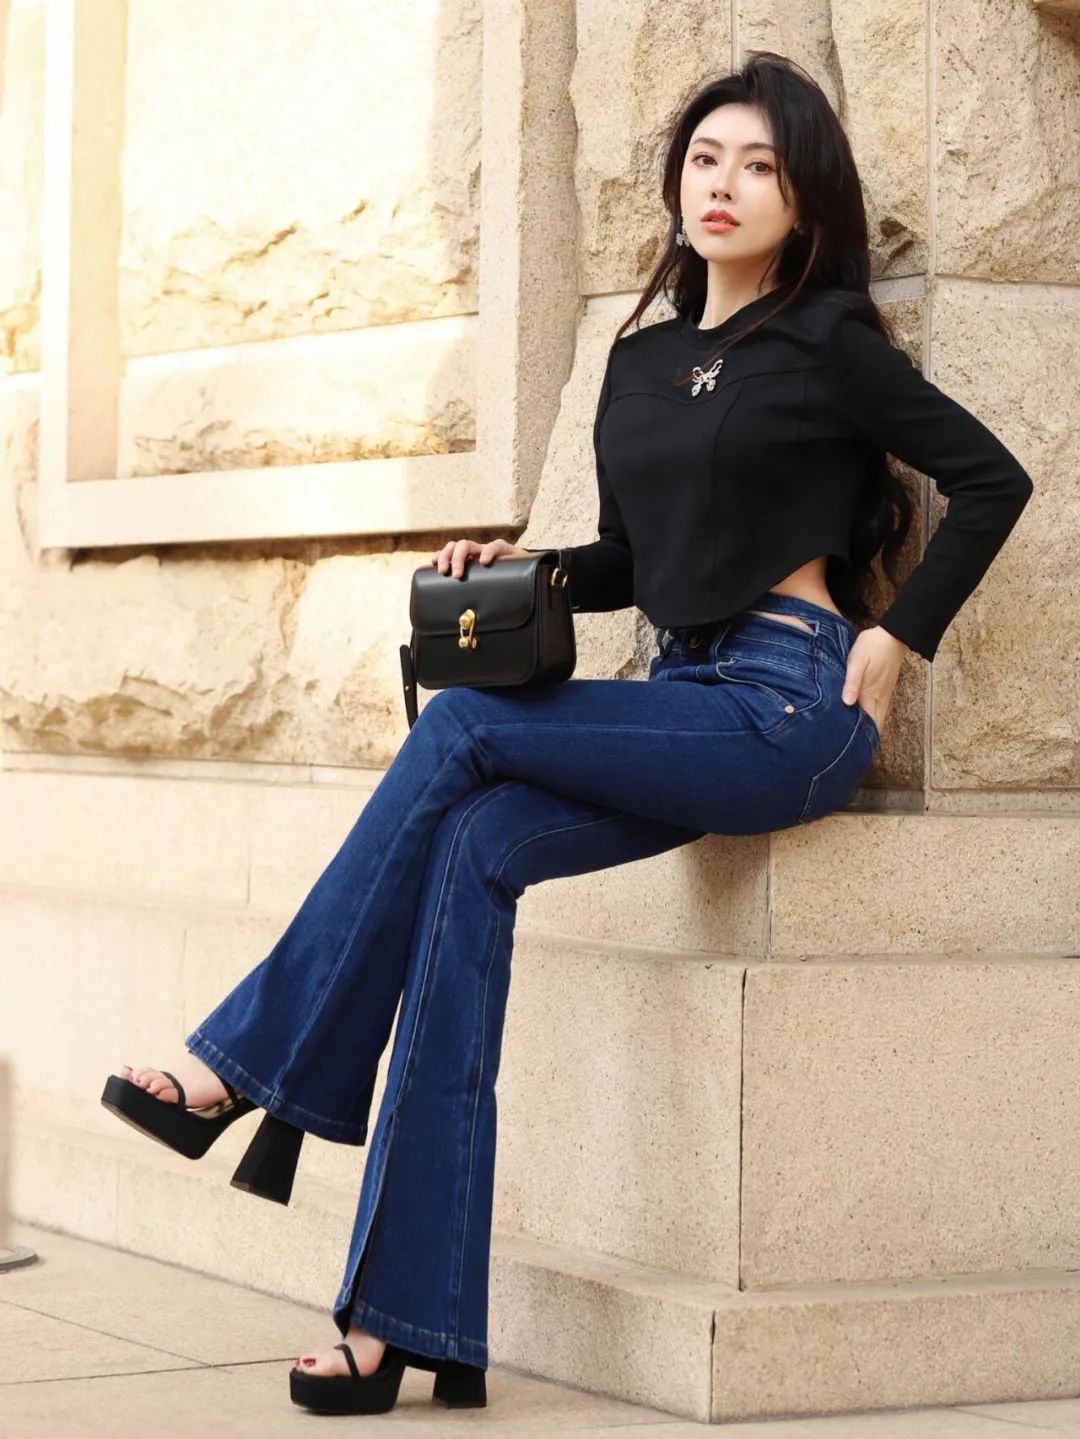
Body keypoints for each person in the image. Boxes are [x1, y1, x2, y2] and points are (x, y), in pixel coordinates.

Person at [101, 51, 1033, 1416]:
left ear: (804, 202)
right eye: (706, 158)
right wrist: (528, 566)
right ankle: (403, 1319)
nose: (725, 185)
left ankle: (244, 1066)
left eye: (761, 165)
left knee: (466, 727)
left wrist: (901, 635)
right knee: (467, 851)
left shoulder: (829, 343)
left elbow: (994, 479)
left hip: (789, 706)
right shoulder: (638, 360)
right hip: (682, 695)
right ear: (675, 182)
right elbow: (635, 564)